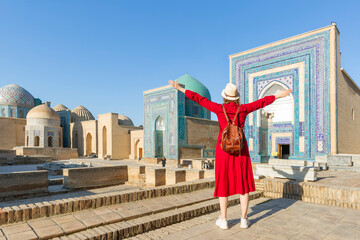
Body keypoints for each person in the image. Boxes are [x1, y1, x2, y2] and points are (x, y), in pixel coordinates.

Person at [169, 80, 292, 229]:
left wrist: (180, 89)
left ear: (225, 97)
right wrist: (279, 95)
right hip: (241, 150)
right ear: (236, 97)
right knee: (243, 185)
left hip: (223, 151)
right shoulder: (244, 109)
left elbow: (199, 99)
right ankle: (244, 219)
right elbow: (261, 102)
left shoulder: (219, 109)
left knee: (223, 184)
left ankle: (224, 219)